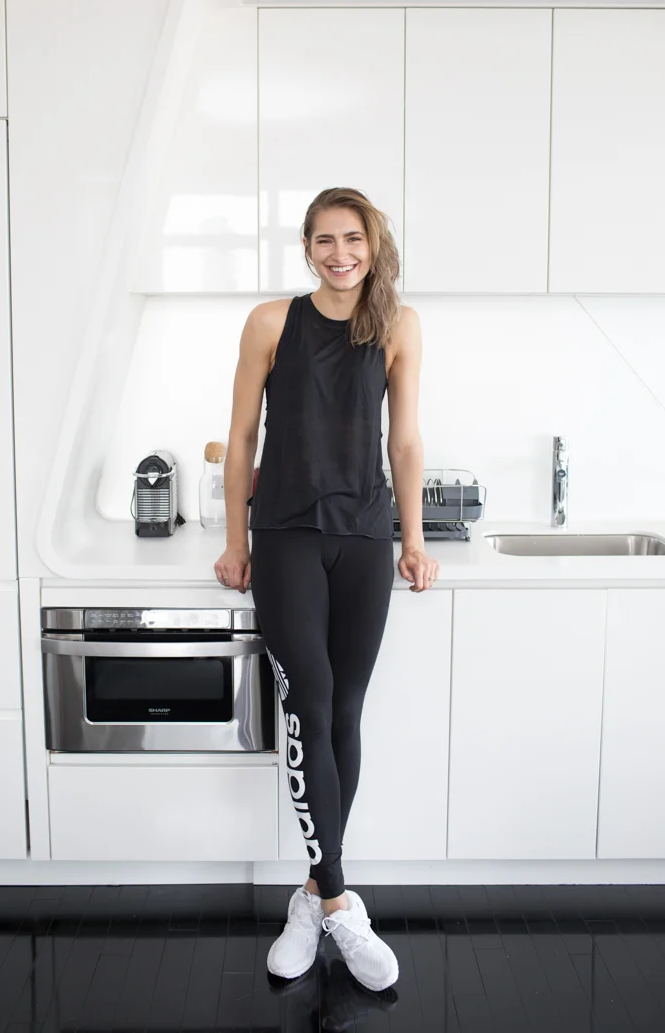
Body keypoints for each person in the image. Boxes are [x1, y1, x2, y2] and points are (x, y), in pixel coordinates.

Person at [214, 187, 439, 993]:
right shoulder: (271, 323)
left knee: (344, 710)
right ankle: (340, 899)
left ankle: (313, 898)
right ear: (307, 248)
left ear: (372, 246)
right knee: (307, 699)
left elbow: (403, 442)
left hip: (365, 539)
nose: (339, 254)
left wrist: (413, 539)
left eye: (352, 239)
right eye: (324, 240)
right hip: (286, 536)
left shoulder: (398, 326)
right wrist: (235, 540)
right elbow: (242, 436)